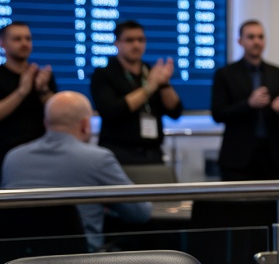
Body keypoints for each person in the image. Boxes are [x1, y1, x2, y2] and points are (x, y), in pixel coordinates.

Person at [2, 91, 151, 251]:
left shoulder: (13, 157)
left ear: (46, 123)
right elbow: (139, 213)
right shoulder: (98, 159)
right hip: (80, 261)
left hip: (20, 260)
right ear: (85, 125)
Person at [89, 19, 183, 165]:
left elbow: (175, 111)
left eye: (141, 40)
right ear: (117, 43)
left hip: (153, 153)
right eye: (129, 40)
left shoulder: (150, 72)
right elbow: (111, 110)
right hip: (118, 154)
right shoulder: (104, 74)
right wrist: (149, 88)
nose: (136, 45)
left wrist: (164, 84)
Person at [210, 20, 279, 181]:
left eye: (260, 37)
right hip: (237, 158)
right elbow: (218, 114)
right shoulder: (225, 74)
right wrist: (249, 104)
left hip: (271, 157)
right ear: (240, 41)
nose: (256, 41)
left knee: (273, 198)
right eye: (251, 37)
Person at [0, 20, 55, 171]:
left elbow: (58, 114)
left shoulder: (42, 76)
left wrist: (43, 90)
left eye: (28, 39)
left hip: (41, 153)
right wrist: (22, 91)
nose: (24, 43)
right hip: (5, 153)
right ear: (2, 43)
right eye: (17, 39)